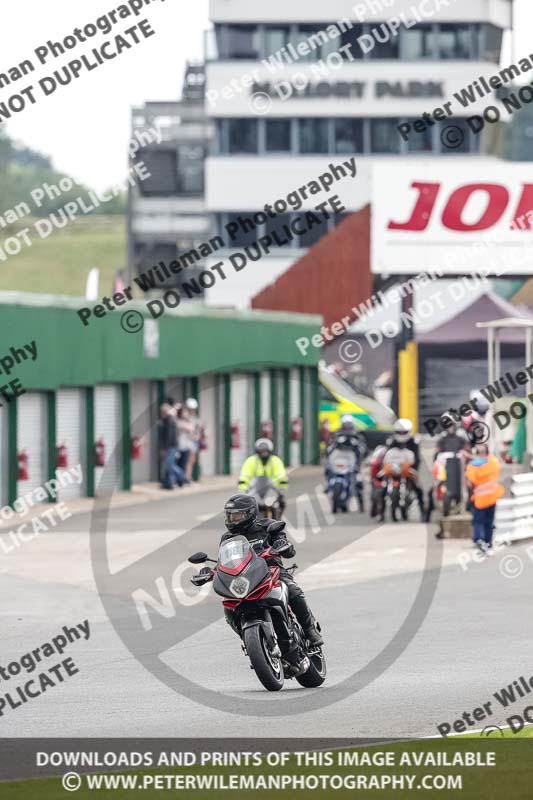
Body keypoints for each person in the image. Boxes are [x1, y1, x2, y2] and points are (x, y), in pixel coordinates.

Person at [221, 494, 323, 661]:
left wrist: (282, 544)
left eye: (237, 515)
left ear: (250, 514)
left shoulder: (266, 526)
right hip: (244, 580)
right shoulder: (227, 538)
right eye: (230, 515)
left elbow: (285, 544)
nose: (233, 519)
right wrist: (210, 570)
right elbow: (225, 560)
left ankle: (309, 628)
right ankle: (250, 639)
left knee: (292, 590)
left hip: (272, 573)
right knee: (229, 606)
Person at [383, 418, 425, 520]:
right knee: (382, 488)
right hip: (394, 469)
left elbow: (417, 459)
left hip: (408, 469)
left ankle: (423, 511)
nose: (401, 434)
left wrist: (414, 469)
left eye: (404, 432)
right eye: (399, 432)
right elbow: (387, 456)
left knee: (418, 489)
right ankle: (380, 512)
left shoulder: (414, 443)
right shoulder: (391, 442)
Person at [465, 443, 505, 551]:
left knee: (478, 521)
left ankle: (479, 539)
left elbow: (469, 482)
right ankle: (488, 542)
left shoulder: (473, 466)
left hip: (480, 499)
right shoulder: (493, 462)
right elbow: (494, 465)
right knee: (489, 520)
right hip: (492, 496)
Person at [325, 414, 366, 509]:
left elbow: (363, 449)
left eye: (349, 425)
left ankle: (361, 503)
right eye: (345, 425)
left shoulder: (357, 436)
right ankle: (328, 485)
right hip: (339, 460)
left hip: (352, 462)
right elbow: (329, 448)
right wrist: (330, 449)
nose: (347, 428)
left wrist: (360, 451)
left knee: (358, 481)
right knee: (328, 469)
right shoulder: (336, 435)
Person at [238, 438, 288, 510]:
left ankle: (278, 517)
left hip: (272, 490)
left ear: (270, 450)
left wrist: (281, 488)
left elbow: (281, 475)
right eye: (262, 451)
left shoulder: (276, 461)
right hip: (255, 490)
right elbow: (244, 476)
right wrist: (243, 489)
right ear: (257, 451)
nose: (264, 453)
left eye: (265, 451)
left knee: (281, 504)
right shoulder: (251, 461)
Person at [158, 404, 185, 490]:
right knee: (169, 465)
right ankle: (169, 483)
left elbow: (169, 436)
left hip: (171, 446)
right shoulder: (169, 420)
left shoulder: (169, 420)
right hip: (172, 445)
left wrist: (165, 448)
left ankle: (180, 475)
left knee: (169, 465)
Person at [176, 404, 195, 483]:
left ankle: (185, 478)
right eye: (184, 412)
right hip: (180, 445)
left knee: (186, 463)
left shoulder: (188, 421)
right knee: (180, 463)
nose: (185, 414)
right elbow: (189, 429)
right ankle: (181, 479)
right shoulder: (178, 422)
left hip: (187, 446)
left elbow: (192, 430)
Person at [184, 398, 201, 481]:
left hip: (194, 441)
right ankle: (187, 478)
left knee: (192, 460)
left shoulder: (194, 418)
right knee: (189, 461)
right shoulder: (186, 418)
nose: (192, 410)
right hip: (189, 441)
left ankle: (189, 477)